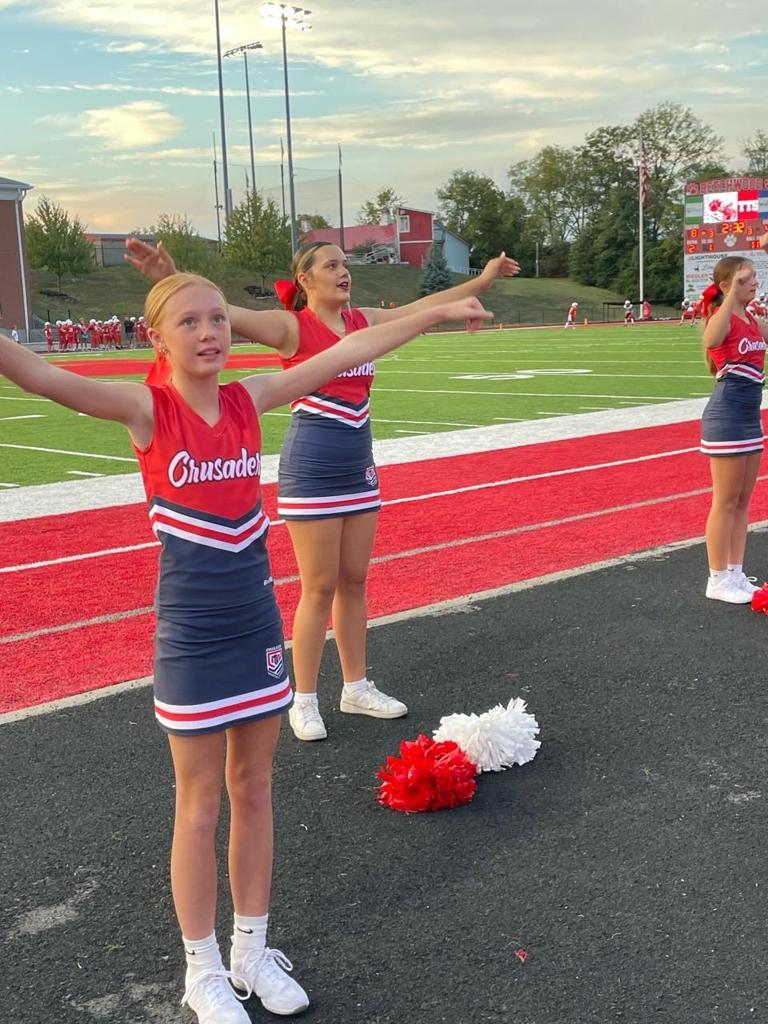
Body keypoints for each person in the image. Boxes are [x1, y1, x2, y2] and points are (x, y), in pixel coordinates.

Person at [0, 274, 491, 1023]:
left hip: (258, 623)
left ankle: (251, 953)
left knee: (254, 789)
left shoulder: (248, 400)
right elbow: (41, 374)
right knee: (197, 803)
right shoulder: (146, 409)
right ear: (158, 337)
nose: (210, 332)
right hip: (193, 635)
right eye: (189, 322)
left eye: (218, 319)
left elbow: (350, 348)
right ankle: (202, 971)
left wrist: (435, 313)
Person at [125, 237, 519, 743]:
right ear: (305, 279)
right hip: (312, 467)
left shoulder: (363, 322)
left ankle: (356, 685)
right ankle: (303, 697)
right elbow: (216, 310)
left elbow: (427, 307)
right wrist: (169, 274)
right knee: (319, 587)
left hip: (358, 465)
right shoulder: (291, 327)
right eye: (331, 265)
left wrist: (483, 280)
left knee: (355, 579)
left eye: (346, 263)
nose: (343, 271)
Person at [700, 237, 768, 603]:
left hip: (749, 418)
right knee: (724, 501)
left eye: (755, 277)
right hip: (726, 416)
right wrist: (729, 297)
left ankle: (736, 574)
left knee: (743, 501)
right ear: (726, 286)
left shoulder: (754, 320)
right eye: (745, 279)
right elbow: (711, 340)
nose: (754, 283)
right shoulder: (720, 317)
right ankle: (716, 578)